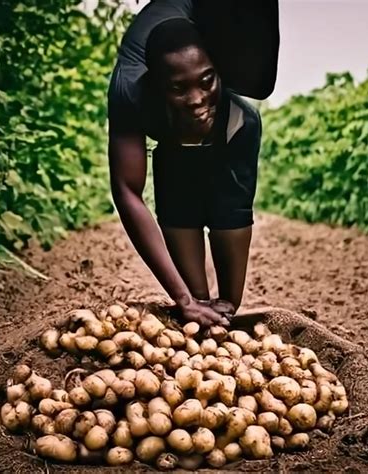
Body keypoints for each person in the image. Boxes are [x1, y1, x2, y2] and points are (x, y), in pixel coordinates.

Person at [107, 0, 278, 327]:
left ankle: (222, 311)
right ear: (157, 88)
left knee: (229, 301)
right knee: (196, 301)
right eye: (178, 88)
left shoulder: (237, 115)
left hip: (231, 118)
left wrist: (226, 302)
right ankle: (197, 305)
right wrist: (184, 299)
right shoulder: (130, 93)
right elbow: (127, 191)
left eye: (206, 81)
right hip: (169, 132)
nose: (197, 100)